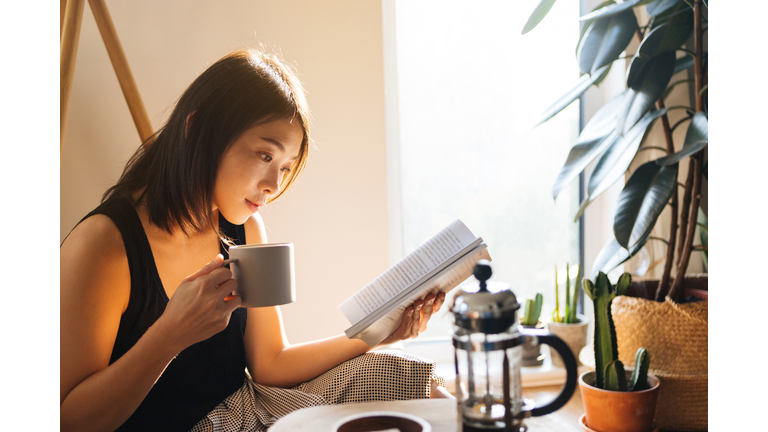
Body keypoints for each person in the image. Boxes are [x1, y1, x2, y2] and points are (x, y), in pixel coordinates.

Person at [60, 49, 449, 432]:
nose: (273, 186)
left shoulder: (245, 230)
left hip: (245, 414)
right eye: (265, 155)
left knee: (399, 373)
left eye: (285, 168)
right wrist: (168, 336)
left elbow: (271, 363)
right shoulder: (103, 246)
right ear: (197, 130)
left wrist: (379, 333)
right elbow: (67, 420)